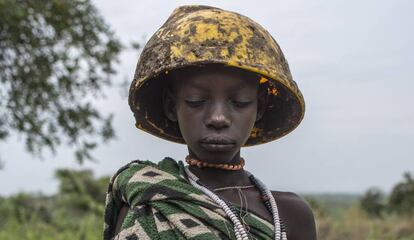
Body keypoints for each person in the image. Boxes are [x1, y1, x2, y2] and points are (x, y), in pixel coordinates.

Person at [103, 5, 317, 240]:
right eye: (196, 101)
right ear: (171, 106)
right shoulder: (148, 202)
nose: (218, 118)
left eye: (239, 101)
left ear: (260, 107)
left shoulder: (290, 215)